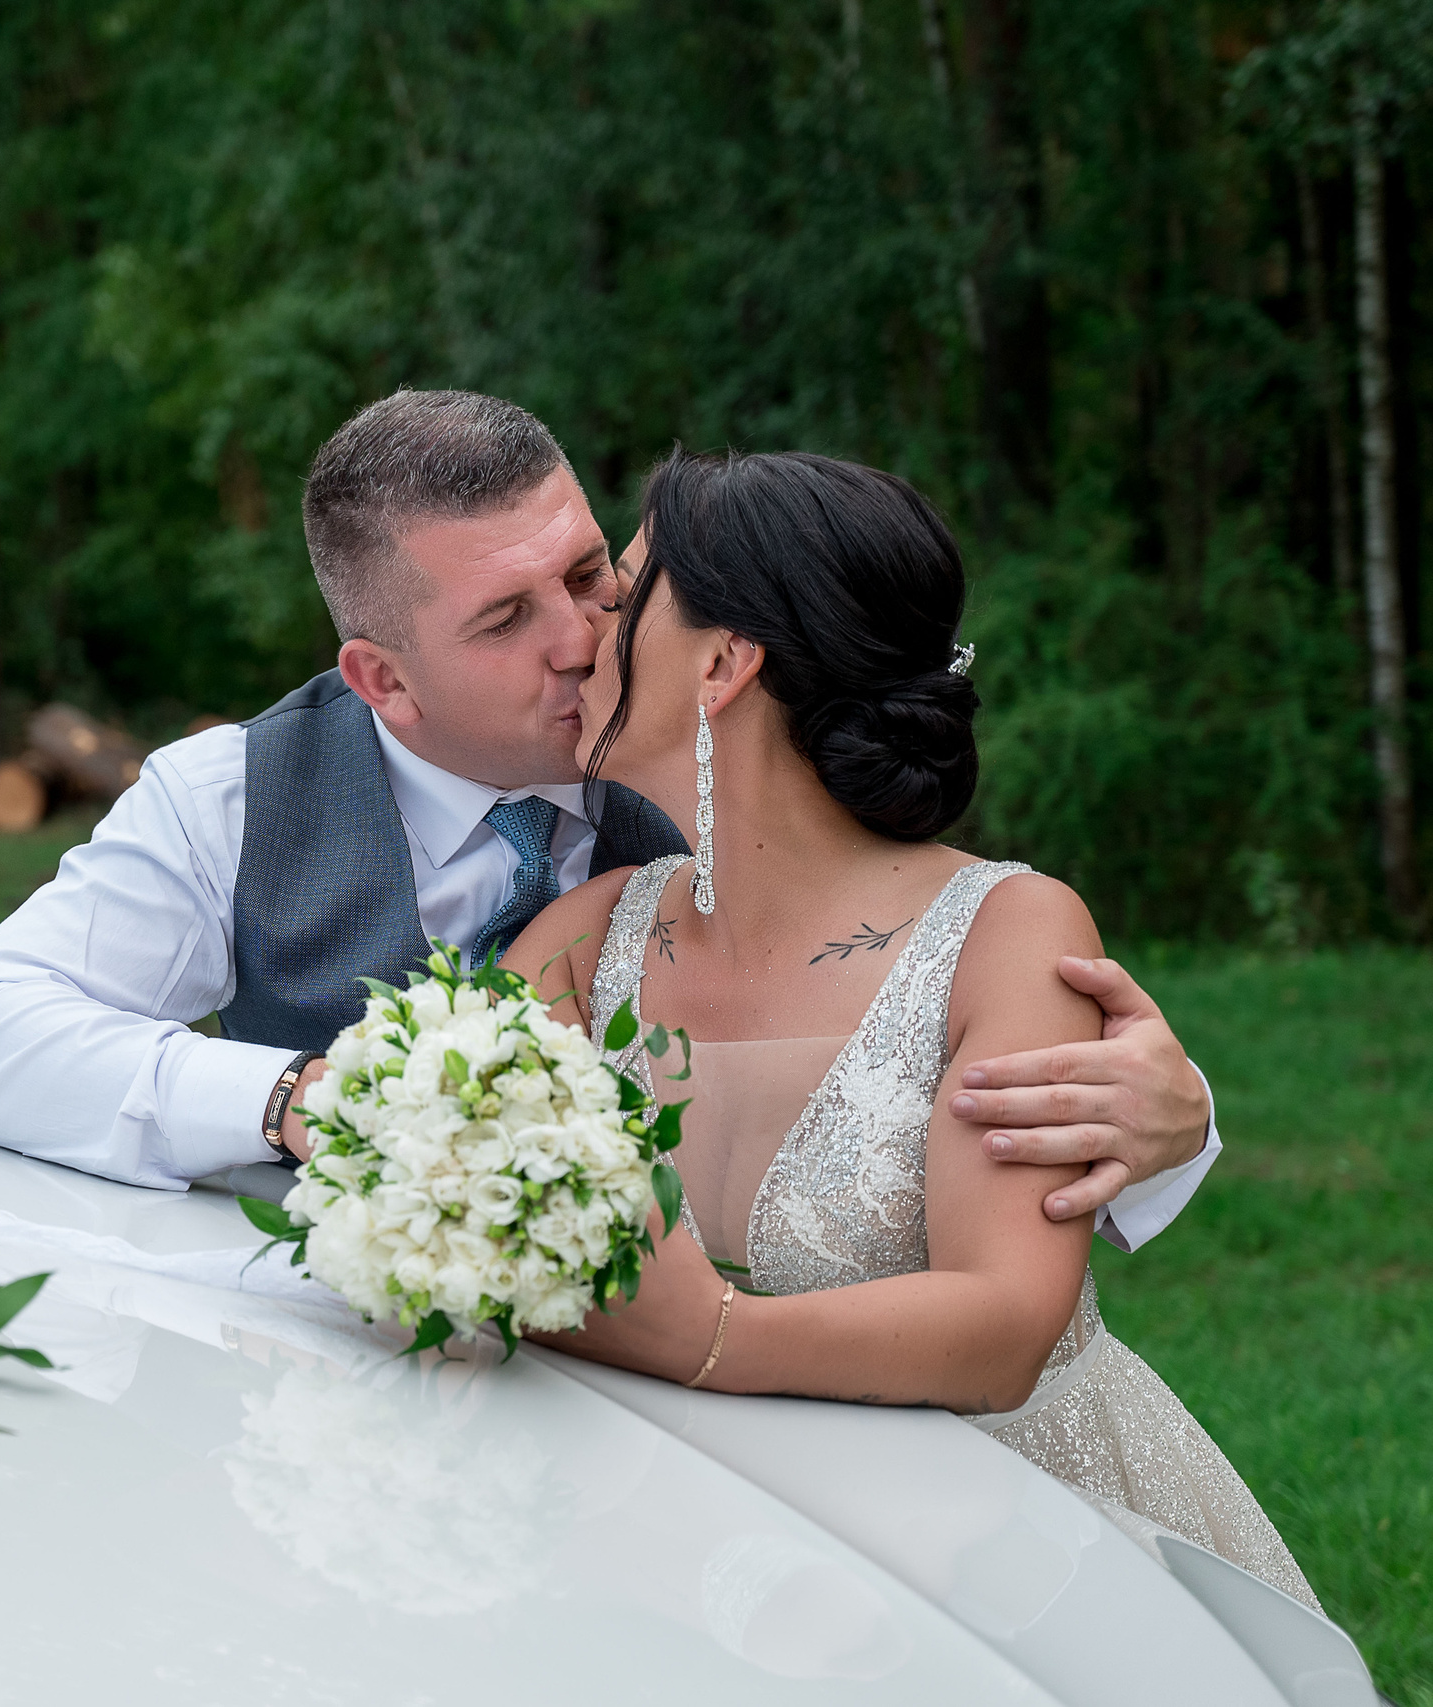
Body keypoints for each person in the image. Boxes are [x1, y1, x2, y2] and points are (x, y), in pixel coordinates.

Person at [0, 390, 1216, 1243]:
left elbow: (903, 998)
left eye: (591, 574)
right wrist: (293, 1097)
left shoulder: (705, 751)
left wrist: (1172, 1132)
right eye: (503, 618)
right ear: (384, 679)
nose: (584, 637)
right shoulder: (237, 796)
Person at [498, 446, 1313, 1605]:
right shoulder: (581, 938)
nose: (584, 632)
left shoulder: (1008, 934)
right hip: (692, 1542)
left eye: (623, 595)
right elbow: (446, 1164)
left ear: (725, 664)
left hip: (1015, 1550)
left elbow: (1000, 1326)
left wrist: (704, 1335)